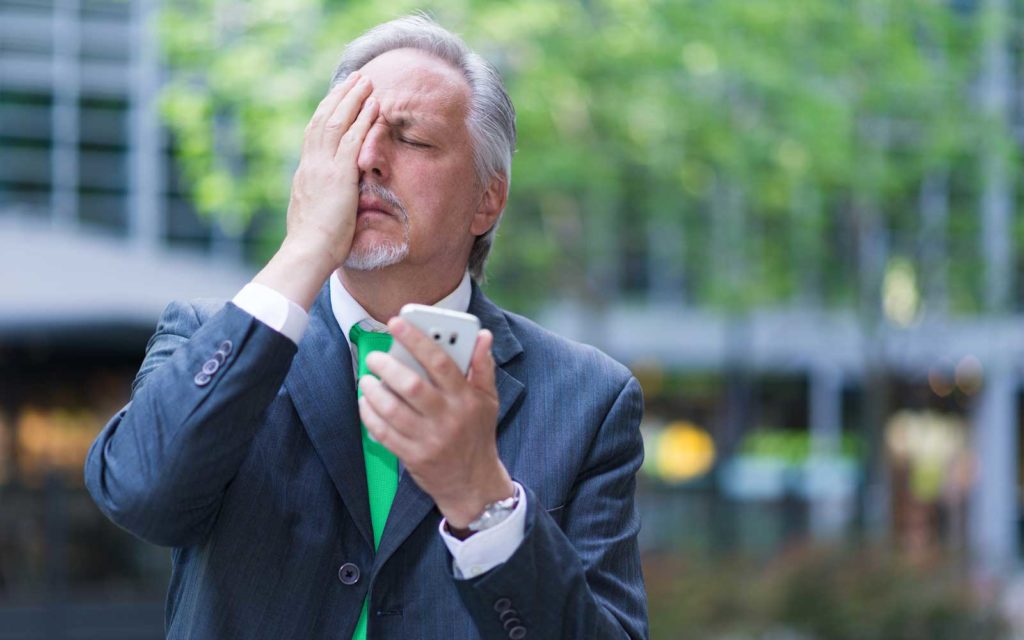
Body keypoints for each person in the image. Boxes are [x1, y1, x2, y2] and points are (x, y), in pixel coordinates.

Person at [85, 14, 647, 640]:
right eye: (350, 134)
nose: (370, 160)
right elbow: (137, 496)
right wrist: (304, 250)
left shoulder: (589, 397)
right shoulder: (212, 335)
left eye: (413, 140)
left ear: (488, 199)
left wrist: (484, 504)